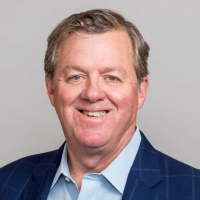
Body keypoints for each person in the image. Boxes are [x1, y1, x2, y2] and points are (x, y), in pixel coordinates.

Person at [0, 9, 200, 200]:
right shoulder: (6, 183)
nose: (92, 93)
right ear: (51, 88)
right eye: (76, 77)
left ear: (141, 90)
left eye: (111, 78)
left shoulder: (193, 190)